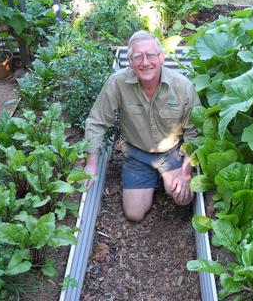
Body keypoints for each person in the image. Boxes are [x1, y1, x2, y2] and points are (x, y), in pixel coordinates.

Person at [82, 30, 201, 222]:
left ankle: (167, 178)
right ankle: (153, 180)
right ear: (130, 61)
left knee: (183, 199)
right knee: (134, 214)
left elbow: (193, 133)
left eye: (151, 55)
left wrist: (185, 173)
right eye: (138, 56)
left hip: (171, 153)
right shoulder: (117, 83)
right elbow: (97, 121)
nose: (145, 62)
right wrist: (91, 163)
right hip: (137, 155)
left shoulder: (182, 87)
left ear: (161, 57)